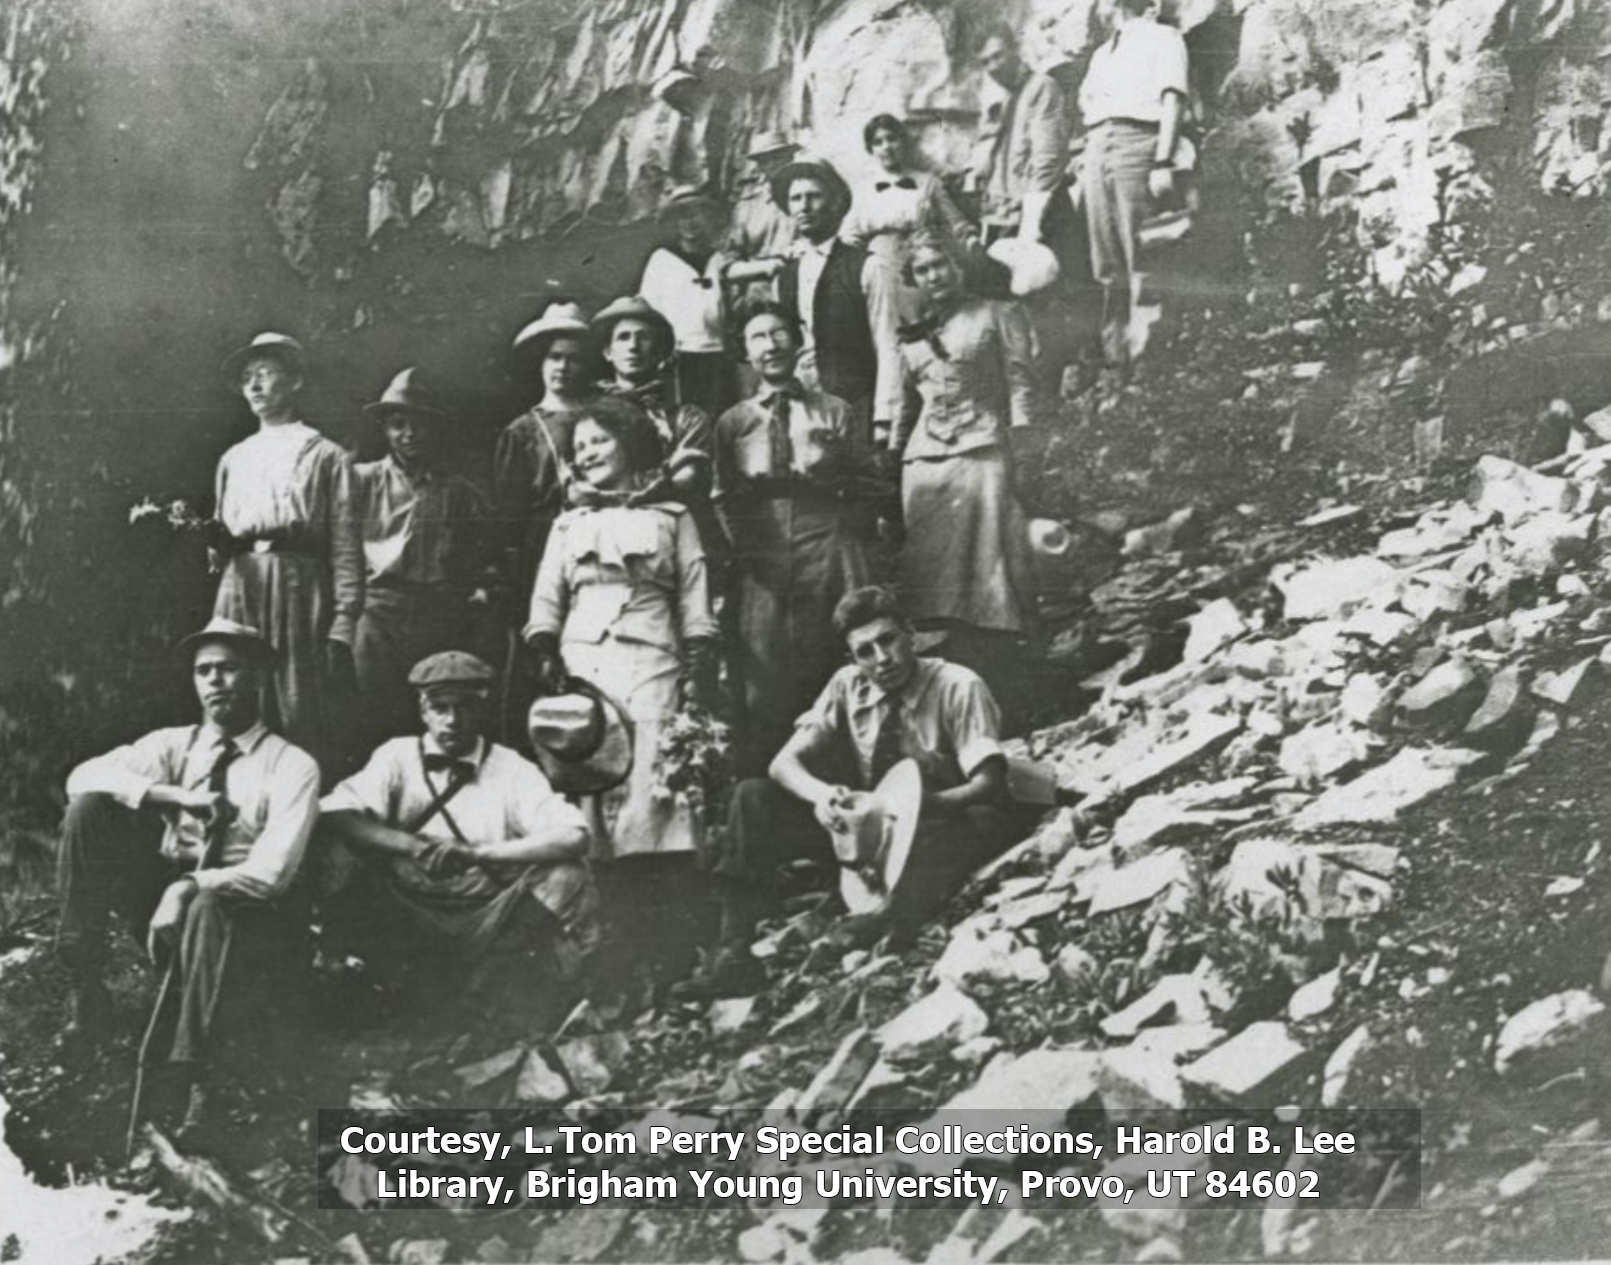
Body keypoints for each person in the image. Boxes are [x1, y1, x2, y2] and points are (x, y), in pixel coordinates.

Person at [673, 587, 1017, 1000]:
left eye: (887, 641)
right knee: (752, 797)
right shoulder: (847, 686)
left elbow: (988, 783)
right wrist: (822, 798)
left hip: (942, 814)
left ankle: (885, 917)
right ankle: (733, 954)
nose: (881, 659)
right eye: (864, 651)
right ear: (852, 657)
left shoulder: (958, 685)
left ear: (911, 634)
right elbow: (783, 764)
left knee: (977, 825)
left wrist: (927, 805)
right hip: (872, 827)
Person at [56, 618, 320, 1133]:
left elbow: (272, 874)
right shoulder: (174, 746)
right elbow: (80, 777)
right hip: (167, 901)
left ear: (258, 676)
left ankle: (199, 1072)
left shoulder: (292, 765)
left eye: (228, 668)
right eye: (204, 671)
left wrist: (185, 887)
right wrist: (176, 796)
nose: (215, 681)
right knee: (89, 809)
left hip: (250, 919)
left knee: (207, 902)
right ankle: (86, 986)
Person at [522, 404, 720, 993]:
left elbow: (693, 592)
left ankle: (668, 950)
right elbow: (546, 598)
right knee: (594, 805)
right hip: (586, 674)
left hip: (654, 666)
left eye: (598, 440)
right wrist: (547, 652)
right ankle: (608, 947)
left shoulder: (672, 516)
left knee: (655, 804)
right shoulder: (568, 524)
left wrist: (697, 663)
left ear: (629, 445)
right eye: (578, 445)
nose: (585, 453)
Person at [317, 651, 598, 1028]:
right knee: (337, 853)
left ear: (482, 709)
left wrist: (478, 853)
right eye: (440, 707)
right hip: (407, 913)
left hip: (489, 918)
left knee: (568, 875)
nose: (452, 720)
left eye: (464, 707)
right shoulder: (397, 756)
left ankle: (486, 987)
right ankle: (353, 981)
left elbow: (574, 835)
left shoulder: (512, 768)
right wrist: (411, 846)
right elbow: (336, 814)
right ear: (423, 710)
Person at [713, 303, 880, 770]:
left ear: (798, 338)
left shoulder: (834, 410)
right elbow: (723, 494)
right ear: (745, 352)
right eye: (758, 338)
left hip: (828, 539)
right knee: (764, 661)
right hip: (761, 548)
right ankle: (774, 772)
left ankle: (846, 767)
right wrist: (746, 550)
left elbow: (865, 482)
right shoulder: (733, 423)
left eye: (780, 333)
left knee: (833, 647)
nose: (771, 346)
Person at [895, 231, 1042, 719]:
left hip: (982, 451)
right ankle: (948, 698)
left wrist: (1023, 444)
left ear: (959, 268)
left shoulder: (998, 314)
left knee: (992, 569)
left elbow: (1021, 382)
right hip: (924, 466)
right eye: (923, 270)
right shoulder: (912, 332)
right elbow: (903, 404)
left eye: (941, 265)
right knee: (934, 586)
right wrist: (890, 455)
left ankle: (1012, 689)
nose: (934, 276)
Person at [212, 331, 363, 776]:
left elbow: (346, 546)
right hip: (240, 585)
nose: (254, 386)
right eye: (246, 378)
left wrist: (343, 622)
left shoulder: (325, 455)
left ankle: (302, 815)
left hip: (299, 586)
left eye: (265, 373)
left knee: (297, 704)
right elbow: (221, 535)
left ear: (294, 381)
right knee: (234, 696)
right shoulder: (234, 458)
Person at [352, 368, 492, 746]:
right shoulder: (361, 481)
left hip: (437, 609)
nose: (409, 434)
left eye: (418, 425)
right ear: (384, 428)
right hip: (378, 610)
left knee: (437, 707)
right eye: (398, 424)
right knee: (378, 710)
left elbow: (480, 551)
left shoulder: (457, 490)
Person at [972, 24, 1083, 407]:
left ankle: (1054, 400)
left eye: (998, 56)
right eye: (985, 61)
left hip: (1042, 214)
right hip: (1006, 218)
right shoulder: (1004, 103)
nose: (992, 66)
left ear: (1016, 49)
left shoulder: (1041, 89)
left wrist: (1032, 227)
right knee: (1014, 315)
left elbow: (1047, 161)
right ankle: (1026, 401)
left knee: (1047, 310)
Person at [1077, 0, 1190, 370]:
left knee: (1142, 253)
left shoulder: (1164, 36)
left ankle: (1148, 362)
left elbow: (1172, 99)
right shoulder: (1101, 54)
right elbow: (1090, 109)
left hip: (1137, 142)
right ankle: (1117, 359)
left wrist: (1162, 159)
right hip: (1098, 148)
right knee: (1105, 260)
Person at [773, 157, 904, 448]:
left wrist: (884, 419)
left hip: (856, 406)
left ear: (834, 203)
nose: (804, 206)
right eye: (796, 198)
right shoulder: (785, 275)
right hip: (801, 410)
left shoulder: (868, 267)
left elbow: (889, 345)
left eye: (814, 196)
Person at [492, 302, 606, 600]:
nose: (563, 367)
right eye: (554, 357)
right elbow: (510, 512)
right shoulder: (522, 431)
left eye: (574, 359)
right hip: (543, 544)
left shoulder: (607, 420)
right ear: (540, 362)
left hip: (602, 537)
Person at [842, 114, 979, 286]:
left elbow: (957, 224)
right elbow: (850, 236)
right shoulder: (862, 190)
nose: (887, 147)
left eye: (892, 139)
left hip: (924, 266)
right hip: (879, 270)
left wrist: (973, 244)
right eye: (878, 142)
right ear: (871, 149)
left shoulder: (928, 182)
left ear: (903, 142)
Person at [638, 186, 738, 416]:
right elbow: (649, 312)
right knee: (686, 417)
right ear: (674, 222)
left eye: (696, 214)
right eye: (682, 215)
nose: (690, 222)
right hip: (679, 358)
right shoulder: (662, 261)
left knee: (720, 416)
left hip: (719, 356)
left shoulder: (719, 259)